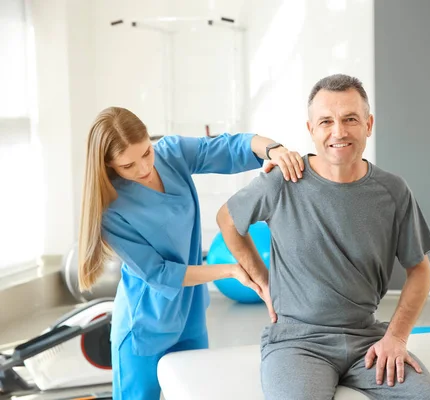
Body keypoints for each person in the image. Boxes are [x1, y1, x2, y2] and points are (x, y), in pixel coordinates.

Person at [216, 74, 430, 399]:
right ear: (311, 130)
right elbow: (227, 220)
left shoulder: (393, 191)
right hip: (297, 341)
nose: (338, 131)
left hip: (367, 338)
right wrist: (263, 282)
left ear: (368, 124)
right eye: (326, 121)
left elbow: (419, 269)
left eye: (350, 119)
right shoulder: (282, 180)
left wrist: (397, 337)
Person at [77, 106, 304, 400]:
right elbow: (160, 273)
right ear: (108, 165)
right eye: (127, 166)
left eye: (146, 153)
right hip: (144, 328)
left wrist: (274, 150)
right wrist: (231, 269)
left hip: (190, 316)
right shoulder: (111, 211)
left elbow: (230, 147)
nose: (144, 168)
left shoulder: (171, 154)